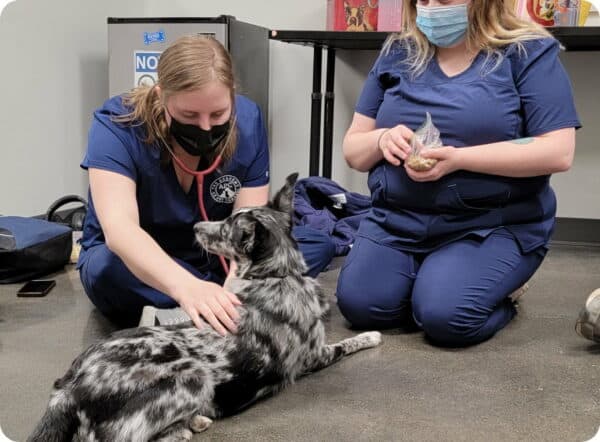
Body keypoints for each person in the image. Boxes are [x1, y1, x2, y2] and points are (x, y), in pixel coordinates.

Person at [336, 0, 580, 347]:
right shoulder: (398, 51)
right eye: (423, 0)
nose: (432, 8)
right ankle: (433, 280)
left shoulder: (528, 52)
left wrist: (460, 160)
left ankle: (503, 292)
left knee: (446, 318)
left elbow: (558, 151)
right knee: (362, 307)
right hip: (397, 221)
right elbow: (353, 151)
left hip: (489, 225)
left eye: (445, 0)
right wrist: (381, 138)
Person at [77, 35, 335, 333]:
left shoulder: (248, 122)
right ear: (161, 96)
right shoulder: (116, 125)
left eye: (218, 114)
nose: (205, 127)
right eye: (189, 114)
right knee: (107, 268)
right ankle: (206, 304)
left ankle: (202, 309)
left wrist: (237, 284)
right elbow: (120, 231)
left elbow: (250, 226)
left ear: (232, 97)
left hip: (215, 257)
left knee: (317, 244)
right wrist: (188, 287)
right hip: (141, 261)